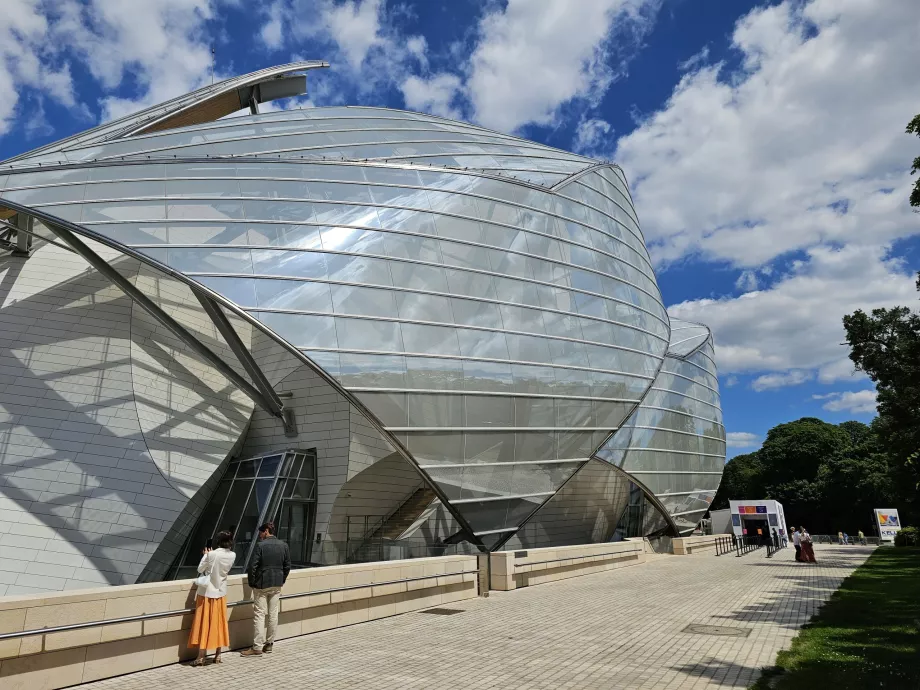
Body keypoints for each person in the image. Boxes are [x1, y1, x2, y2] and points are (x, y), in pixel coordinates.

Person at [241, 521, 291, 657]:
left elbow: (253, 566)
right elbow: (287, 566)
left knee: (259, 614)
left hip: (262, 584)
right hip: (277, 583)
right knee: (273, 614)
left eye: (261, 533)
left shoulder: (260, 546)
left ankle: (257, 646)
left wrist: (252, 582)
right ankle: (269, 644)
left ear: (266, 531)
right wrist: (282, 579)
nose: (260, 536)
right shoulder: (284, 545)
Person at [189, 530, 236, 666]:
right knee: (219, 622)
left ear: (218, 541)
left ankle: (201, 656)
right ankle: (218, 654)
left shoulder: (211, 554)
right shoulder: (232, 554)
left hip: (207, 593)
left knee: (204, 623)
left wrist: (205, 555)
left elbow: (200, 569)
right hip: (221, 592)